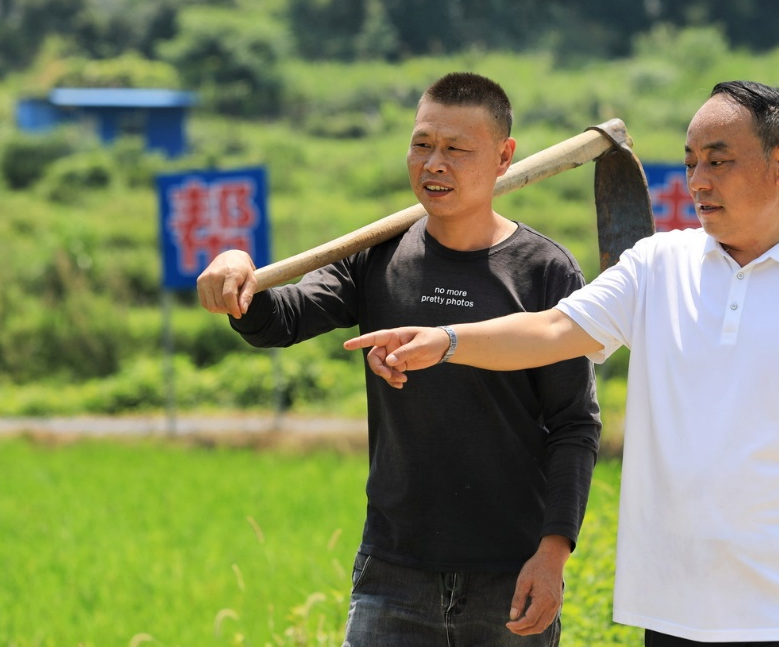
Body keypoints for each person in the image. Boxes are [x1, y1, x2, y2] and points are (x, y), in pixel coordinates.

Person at [345, 80, 779, 647]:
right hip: (672, 609)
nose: (699, 182)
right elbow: (552, 328)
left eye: (719, 162)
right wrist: (446, 340)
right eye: (691, 163)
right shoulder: (657, 266)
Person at [197, 72, 601, 647]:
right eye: (421, 144)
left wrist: (553, 552)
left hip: (509, 573)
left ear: (505, 156)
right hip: (394, 572)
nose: (434, 163)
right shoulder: (376, 255)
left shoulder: (544, 271)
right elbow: (281, 319)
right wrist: (239, 270)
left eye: (457, 149)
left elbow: (573, 424)